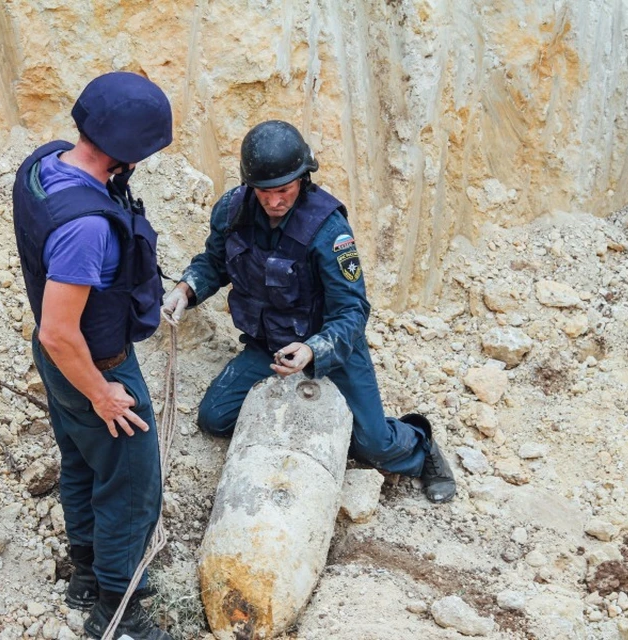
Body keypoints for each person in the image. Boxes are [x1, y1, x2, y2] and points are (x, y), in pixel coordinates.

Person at [161, 120, 456, 504]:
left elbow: (352, 311)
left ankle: (421, 448)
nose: (273, 201)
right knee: (216, 418)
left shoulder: (328, 229)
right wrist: (186, 288)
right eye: (263, 192)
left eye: (283, 190)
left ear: (303, 178)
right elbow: (214, 262)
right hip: (270, 346)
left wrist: (314, 350)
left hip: (332, 348)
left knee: (372, 445)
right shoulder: (232, 211)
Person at [12, 71, 173, 640]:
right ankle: (119, 611)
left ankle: (85, 574)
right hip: (90, 361)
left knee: (82, 459)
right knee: (131, 481)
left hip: (56, 363)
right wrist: (103, 393)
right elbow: (61, 330)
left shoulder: (44, 164)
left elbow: (49, 334)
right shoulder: (86, 228)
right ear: (128, 154)